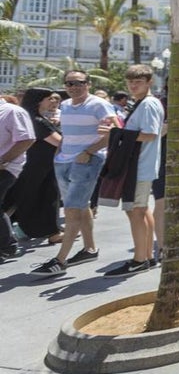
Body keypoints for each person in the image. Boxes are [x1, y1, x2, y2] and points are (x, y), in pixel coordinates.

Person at [31, 69, 116, 278]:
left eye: (79, 83)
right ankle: (89, 249)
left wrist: (88, 152)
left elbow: (115, 131)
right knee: (81, 206)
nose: (74, 87)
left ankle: (60, 260)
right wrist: (59, 153)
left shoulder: (99, 104)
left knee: (71, 210)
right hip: (63, 161)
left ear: (88, 84)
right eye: (69, 83)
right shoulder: (66, 106)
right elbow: (67, 134)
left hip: (86, 162)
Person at [101, 65, 165, 277]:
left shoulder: (147, 105)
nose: (133, 85)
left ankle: (139, 260)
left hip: (140, 167)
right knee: (141, 210)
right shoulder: (144, 103)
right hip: (141, 166)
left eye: (138, 81)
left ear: (149, 82)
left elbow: (150, 134)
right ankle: (146, 257)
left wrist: (116, 133)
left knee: (135, 211)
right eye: (130, 81)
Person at [7, 89, 64, 245]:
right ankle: (49, 232)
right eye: (49, 99)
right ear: (39, 101)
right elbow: (59, 142)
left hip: (42, 166)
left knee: (44, 198)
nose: (52, 102)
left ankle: (51, 232)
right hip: (36, 167)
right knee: (24, 199)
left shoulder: (37, 118)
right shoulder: (37, 121)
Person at [0, 97, 36, 259]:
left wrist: (3, 160)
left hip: (5, 168)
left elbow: (27, 139)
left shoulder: (13, 111)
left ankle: (7, 245)